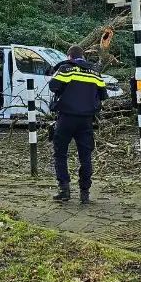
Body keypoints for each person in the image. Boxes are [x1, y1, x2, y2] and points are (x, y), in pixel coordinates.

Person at [49, 45, 108, 205]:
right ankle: (84, 194)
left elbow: (53, 86)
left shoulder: (66, 69)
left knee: (60, 153)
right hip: (86, 120)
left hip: (66, 117)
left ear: (70, 57)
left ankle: (64, 190)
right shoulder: (95, 72)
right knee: (85, 156)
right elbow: (103, 94)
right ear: (83, 56)